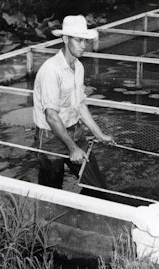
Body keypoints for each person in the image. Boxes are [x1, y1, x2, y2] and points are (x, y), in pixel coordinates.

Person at [33, 15, 114, 189]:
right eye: (79, 41)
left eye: (85, 41)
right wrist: (72, 148)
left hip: (75, 130)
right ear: (65, 39)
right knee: (52, 193)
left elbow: (80, 105)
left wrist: (99, 134)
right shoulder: (51, 70)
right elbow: (51, 116)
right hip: (50, 138)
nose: (84, 46)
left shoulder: (78, 67)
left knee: (96, 185)